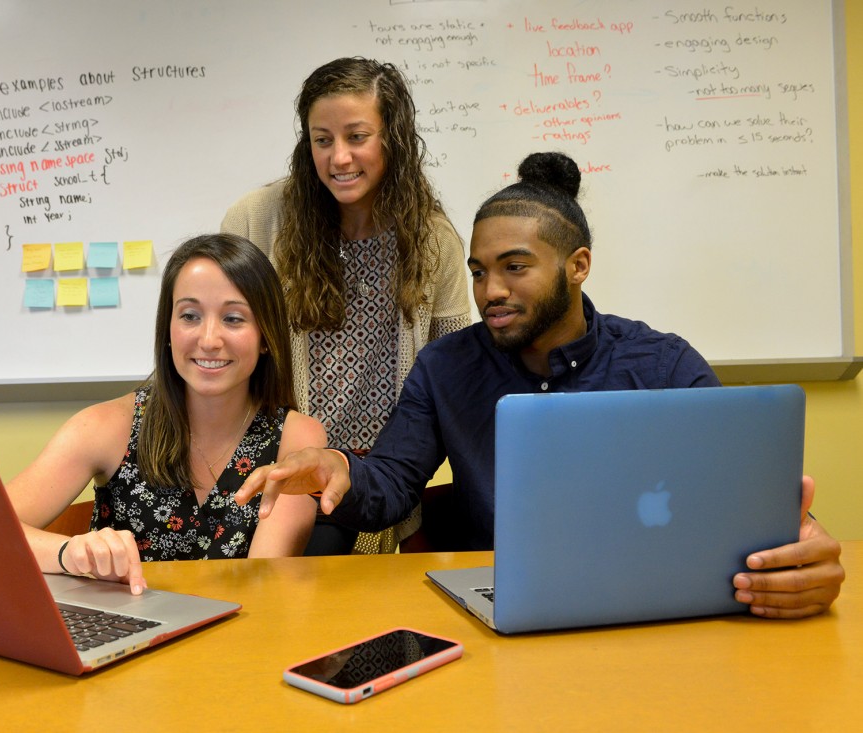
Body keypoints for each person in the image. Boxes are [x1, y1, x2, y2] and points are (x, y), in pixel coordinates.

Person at [236, 152, 845, 618]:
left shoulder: (661, 364)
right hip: (500, 608)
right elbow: (393, 482)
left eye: (514, 267)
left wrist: (802, 551)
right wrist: (338, 466)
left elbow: (751, 497)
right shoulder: (447, 367)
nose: (489, 291)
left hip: (652, 602)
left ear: (577, 265)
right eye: (478, 272)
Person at [221, 57, 471, 554]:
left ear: (392, 139)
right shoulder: (256, 220)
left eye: (357, 137)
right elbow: (224, 350)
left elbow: (450, 374)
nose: (339, 157)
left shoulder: (434, 242)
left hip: (382, 487)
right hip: (274, 482)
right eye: (322, 139)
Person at [8, 234, 325, 594]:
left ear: (266, 336)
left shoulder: (296, 439)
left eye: (233, 319)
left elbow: (264, 588)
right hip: (124, 641)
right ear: (168, 330)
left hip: (241, 640)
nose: (208, 339)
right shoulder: (106, 426)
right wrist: (68, 552)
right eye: (189, 316)